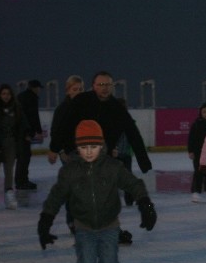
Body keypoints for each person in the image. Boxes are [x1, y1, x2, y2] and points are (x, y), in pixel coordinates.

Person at [38, 120, 157, 263]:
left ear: (101, 146)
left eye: (93, 147)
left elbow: (134, 184)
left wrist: (145, 205)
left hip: (109, 225)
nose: (89, 152)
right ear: (78, 148)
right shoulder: (71, 171)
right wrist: (45, 220)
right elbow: (56, 195)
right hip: (83, 227)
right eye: (84, 148)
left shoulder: (113, 167)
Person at [49, 71, 152, 245]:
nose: (104, 88)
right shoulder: (81, 101)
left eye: (108, 85)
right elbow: (64, 125)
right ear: (94, 86)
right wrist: (55, 148)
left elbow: (132, 132)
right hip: (77, 151)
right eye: (101, 85)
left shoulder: (116, 106)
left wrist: (143, 161)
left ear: (112, 87)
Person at [46, 75, 85, 234]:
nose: (78, 92)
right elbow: (56, 132)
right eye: (75, 89)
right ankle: (72, 220)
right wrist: (59, 151)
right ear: (68, 91)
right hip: (69, 153)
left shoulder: (87, 107)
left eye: (81, 89)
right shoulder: (62, 109)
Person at [0, 84, 25, 209]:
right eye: (3, 94)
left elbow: (21, 124)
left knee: (9, 169)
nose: (6, 96)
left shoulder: (16, 108)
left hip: (11, 143)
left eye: (8, 94)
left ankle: (9, 193)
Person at [15, 79, 43, 190]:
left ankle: (21, 180)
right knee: (24, 157)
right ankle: (22, 181)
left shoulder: (21, 96)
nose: (39, 91)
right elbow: (33, 116)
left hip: (19, 131)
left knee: (23, 157)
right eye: (38, 88)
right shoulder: (31, 98)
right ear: (34, 88)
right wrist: (37, 131)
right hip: (24, 132)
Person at [187, 102, 206, 203]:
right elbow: (191, 139)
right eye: (204, 112)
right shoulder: (196, 124)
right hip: (198, 152)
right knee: (198, 172)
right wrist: (191, 151)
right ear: (200, 113)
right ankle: (196, 192)